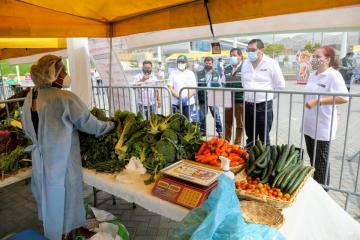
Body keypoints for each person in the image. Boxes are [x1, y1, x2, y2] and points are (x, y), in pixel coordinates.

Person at [21, 55, 114, 240]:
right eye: (62, 71)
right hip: (62, 161)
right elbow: (89, 124)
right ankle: (65, 235)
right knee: (66, 201)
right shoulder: (64, 98)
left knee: (49, 200)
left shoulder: (30, 97)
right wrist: (110, 125)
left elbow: (26, 128)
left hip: (40, 161)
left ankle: (55, 232)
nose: (66, 75)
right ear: (52, 75)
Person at [303, 46, 348, 185]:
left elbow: (344, 98)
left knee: (321, 161)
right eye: (313, 56)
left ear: (327, 59)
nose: (314, 59)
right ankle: (315, 187)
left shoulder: (333, 75)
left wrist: (319, 101)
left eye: (317, 57)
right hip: (309, 124)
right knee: (312, 159)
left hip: (323, 124)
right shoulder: (313, 75)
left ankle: (323, 189)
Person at [242, 39, 285, 146]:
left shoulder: (271, 63)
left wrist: (267, 97)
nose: (250, 52)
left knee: (264, 139)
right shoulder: (245, 64)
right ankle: (250, 159)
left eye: (253, 50)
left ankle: (264, 161)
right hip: (248, 106)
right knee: (250, 137)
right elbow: (244, 83)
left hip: (264, 106)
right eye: (248, 50)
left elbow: (280, 85)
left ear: (261, 50)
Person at [196, 57, 223, 137]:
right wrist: (196, 99)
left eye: (210, 63)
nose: (208, 65)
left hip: (213, 97)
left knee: (216, 115)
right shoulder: (199, 73)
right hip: (202, 96)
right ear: (204, 63)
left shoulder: (216, 73)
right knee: (202, 116)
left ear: (212, 64)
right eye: (206, 63)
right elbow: (195, 87)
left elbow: (220, 85)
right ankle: (202, 131)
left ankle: (220, 131)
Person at [223, 48, 244, 145]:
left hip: (239, 99)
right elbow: (222, 83)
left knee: (240, 123)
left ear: (240, 56)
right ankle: (226, 142)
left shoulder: (245, 68)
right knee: (227, 122)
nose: (232, 57)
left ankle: (237, 144)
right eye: (231, 55)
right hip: (228, 99)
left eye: (234, 55)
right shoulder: (226, 68)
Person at [167, 55, 197, 120]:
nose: (181, 64)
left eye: (183, 62)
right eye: (179, 62)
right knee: (176, 122)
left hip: (189, 103)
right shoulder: (172, 73)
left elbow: (194, 88)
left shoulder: (190, 73)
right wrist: (179, 97)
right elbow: (170, 87)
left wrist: (186, 98)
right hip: (175, 103)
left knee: (187, 121)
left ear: (186, 63)